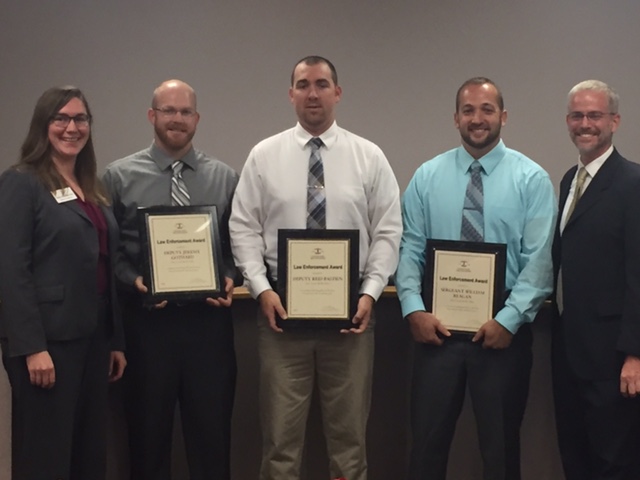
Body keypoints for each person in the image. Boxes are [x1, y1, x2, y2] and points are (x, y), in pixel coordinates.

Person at [229, 55, 402, 480]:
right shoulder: (263, 156)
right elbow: (243, 228)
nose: (312, 93)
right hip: (280, 319)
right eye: (303, 84)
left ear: (337, 93)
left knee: (349, 445)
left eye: (322, 84)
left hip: (351, 322)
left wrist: (371, 291)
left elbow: (388, 231)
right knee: (281, 445)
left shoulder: (369, 157)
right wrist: (261, 289)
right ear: (290, 94)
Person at [395, 77, 556, 480]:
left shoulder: (531, 179)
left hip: (503, 330)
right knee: (426, 447)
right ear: (455, 118)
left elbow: (539, 261)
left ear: (503, 116)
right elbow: (410, 249)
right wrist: (413, 308)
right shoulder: (426, 177)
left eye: (486, 110)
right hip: (437, 329)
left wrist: (509, 320)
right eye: (468, 110)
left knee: (501, 451)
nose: (477, 119)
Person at [102, 79, 238, 480]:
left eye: (185, 112)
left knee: (212, 442)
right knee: (146, 443)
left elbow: (238, 247)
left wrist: (230, 276)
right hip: (146, 326)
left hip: (208, 326)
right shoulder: (118, 177)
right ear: (152, 116)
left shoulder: (225, 178)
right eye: (168, 110)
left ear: (196, 119)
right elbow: (107, 254)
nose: (176, 119)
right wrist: (133, 280)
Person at [0, 86, 126, 480]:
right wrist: (32, 347)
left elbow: (106, 264)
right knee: (46, 456)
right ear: (44, 125)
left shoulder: (92, 186)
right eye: (62, 118)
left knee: (88, 453)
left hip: (92, 339)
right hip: (47, 345)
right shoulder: (23, 182)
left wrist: (115, 339)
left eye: (80, 119)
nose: (72, 128)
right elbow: (11, 267)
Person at [551, 80, 640, 480]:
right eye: (577, 115)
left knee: (614, 462)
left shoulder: (633, 184)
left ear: (615, 121)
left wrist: (635, 355)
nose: (584, 124)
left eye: (594, 115)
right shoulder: (570, 180)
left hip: (613, 360)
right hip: (570, 351)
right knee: (576, 456)